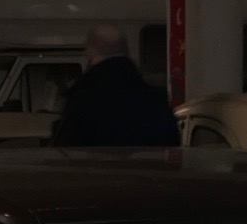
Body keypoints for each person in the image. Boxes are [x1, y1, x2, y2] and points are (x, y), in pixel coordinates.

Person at [48, 25, 180, 148]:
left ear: (91, 51)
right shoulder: (157, 98)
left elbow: (67, 146)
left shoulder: (82, 98)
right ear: (126, 50)